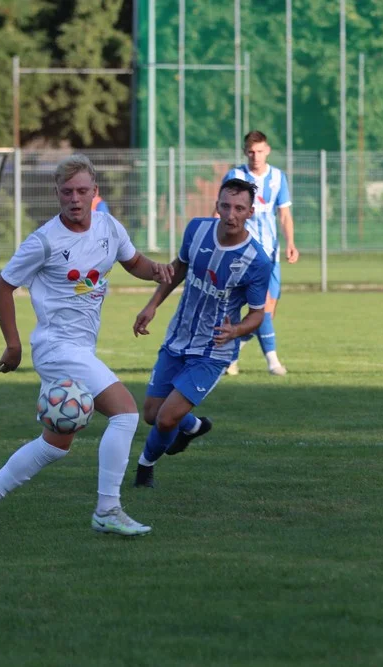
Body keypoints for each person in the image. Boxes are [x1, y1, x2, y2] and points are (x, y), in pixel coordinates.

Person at [0, 154, 173, 537]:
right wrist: (13, 344)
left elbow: (133, 261)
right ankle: (108, 509)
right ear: (57, 194)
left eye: (82, 190)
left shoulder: (108, 226)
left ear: (95, 192)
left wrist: (154, 269)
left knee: (56, 444)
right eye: (67, 191)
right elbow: (2, 286)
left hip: (80, 349)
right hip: (58, 348)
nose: (75, 198)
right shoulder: (43, 241)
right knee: (125, 413)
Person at [131, 178, 273, 489]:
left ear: (250, 212)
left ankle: (144, 468)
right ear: (217, 206)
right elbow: (178, 268)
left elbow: (259, 313)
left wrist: (235, 330)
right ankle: (193, 427)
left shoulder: (257, 261)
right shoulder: (196, 230)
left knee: (167, 419)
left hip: (213, 351)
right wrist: (152, 304)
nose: (231, 214)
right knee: (152, 414)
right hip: (177, 338)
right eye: (225, 206)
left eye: (239, 208)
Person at [217, 130, 299, 377]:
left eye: (260, 151)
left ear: (268, 150)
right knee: (261, 309)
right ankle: (273, 362)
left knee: (267, 313)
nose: (256, 156)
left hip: (270, 254)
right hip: (244, 253)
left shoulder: (277, 177)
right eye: (251, 151)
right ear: (245, 152)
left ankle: (232, 354)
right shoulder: (235, 176)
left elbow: (284, 214)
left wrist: (290, 243)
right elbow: (220, 212)